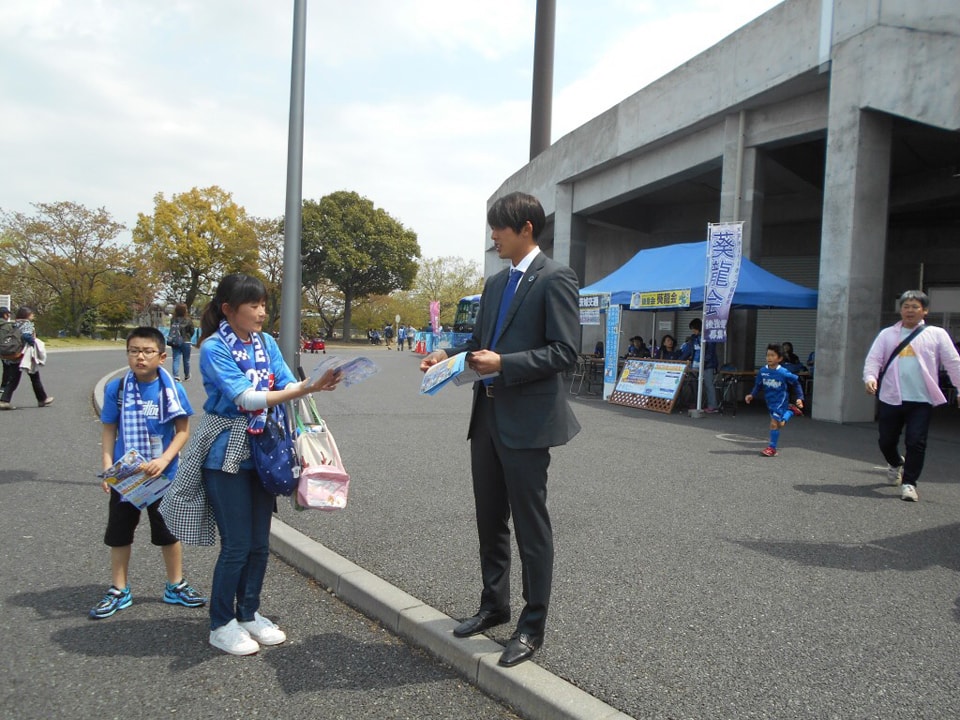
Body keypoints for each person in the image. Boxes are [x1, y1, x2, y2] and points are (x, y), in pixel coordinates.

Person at [419, 192, 580, 668]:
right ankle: (494, 605)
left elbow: (564, 351)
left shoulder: (556, 278)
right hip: (486, 417)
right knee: (489, 519)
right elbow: (477, 343)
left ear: (526, 228)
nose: (493, 237)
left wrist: (504, 364)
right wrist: (444, 358)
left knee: (531, 528)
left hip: (528, 422)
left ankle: (532, 628)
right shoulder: (492, 285)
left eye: (499, 229)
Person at [159, 273, 342, 655]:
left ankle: (249, 613)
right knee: (237, 544)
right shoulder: (212, 348)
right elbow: (245, 398)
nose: (262, 312)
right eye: (253, 305)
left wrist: (312, 386)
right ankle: (220, 623)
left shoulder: (266, 342)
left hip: (264, 451)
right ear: (228, 309)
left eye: (263, 304)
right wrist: (305, 387)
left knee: (259, 543)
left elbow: (288, 383)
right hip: (225, 453)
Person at [90, 327, 206, 619]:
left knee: (168, 533)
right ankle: (119, 589)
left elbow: (182, 432)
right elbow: (109, 431)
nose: (140, 357)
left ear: (162, 357)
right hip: (126, 475)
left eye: (147, 351)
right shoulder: (116, 389)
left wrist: (165, 460)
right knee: (119, 533)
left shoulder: (172, 389)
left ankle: (175, 584)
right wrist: (106, 465)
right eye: (133, 351)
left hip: (162, 475)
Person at [863, 290, 960, 502]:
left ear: (925, 310)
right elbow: (874, 360)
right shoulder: (887, 334)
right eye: (906, 306)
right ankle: (896, 462)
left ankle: (909, 483)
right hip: (891, 397)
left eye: (915, 307)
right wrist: (870, 377)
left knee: (916, 442)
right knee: (886, 441)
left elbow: (954, 363)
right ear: (901, 310)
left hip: (921, 399)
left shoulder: (936, 334)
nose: (909, 310)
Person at [744, 343, 805, 457]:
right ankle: (790, 411)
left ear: (780, 358)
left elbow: (796, 383)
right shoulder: (763, 371)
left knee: (773, 424)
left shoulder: (783, 372)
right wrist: (751, 395)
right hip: (770, 401)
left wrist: (800, 398)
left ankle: (772, 448)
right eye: (768, 355)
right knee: (779, 424)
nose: (769, 358)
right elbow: (758, 385)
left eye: (772, 355)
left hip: (780, 401)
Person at [0, 305, 54, 410]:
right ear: (27, 315)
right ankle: (42, 399)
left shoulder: (14, 323)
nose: (33, 316)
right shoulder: (27, 324)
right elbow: (25, 336)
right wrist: (33, 342)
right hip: (24, 355)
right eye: (32, 314)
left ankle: (4, 400)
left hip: (15, 353)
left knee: (14, 379)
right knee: (34, 376)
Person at [679, 318, 719, 412]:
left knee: (709, 385)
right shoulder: (694, 338)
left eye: (694, 328)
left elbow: (710, 353)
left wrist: (704, 362)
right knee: (695, 385)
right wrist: (680, 359)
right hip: (695, 364)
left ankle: (713, 406)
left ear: (699, 328)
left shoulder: (708, 337)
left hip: (707, 365)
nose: (693, 331)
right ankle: (697, 404)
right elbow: (689, 351)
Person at [168, 302, 195, 382]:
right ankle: (187, 375)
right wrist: (188, 336)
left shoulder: (173, 319)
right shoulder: (188, 320)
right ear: (185, 310)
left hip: (175, 341)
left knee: (176, 359)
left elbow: (172, 330)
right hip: (186, 341)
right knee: (186, 360)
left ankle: (176, 376)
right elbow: (192, 331)